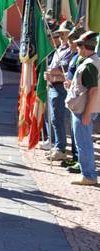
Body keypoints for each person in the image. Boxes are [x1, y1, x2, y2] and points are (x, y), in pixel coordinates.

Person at [65, 31, 100, 185]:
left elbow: (93, 91)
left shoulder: (89, 65)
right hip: (83, 109)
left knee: (83, 143)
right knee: (83, 142)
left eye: (79, 44)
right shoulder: (92, 61)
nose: (77, 47)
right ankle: (88, 174)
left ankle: (89, 176)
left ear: (85, 47)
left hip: (83, 111)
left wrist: (87, 113)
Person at [45, 21, 75, 161]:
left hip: (60, 88)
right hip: (52, 87)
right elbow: (53, 68)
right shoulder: (60, 50)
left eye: (65, 34)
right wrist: (50, 75)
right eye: (61, 34)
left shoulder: (71, 52)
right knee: (53, 119)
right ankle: (57, 145)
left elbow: (69, 76)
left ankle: (61, 148)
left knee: (58, 119)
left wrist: (54, 74)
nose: (62, 36)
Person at [62, 26, 86, 173]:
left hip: (79, 99)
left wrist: (71, 83)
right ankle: (76, 156)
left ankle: (81, 162)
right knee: (74, 131)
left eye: (71, 41)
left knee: (81, 135)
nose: (68, 43)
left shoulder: (83, 59)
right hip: (72, 97)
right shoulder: (74, 56)